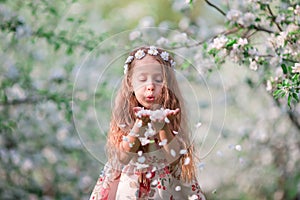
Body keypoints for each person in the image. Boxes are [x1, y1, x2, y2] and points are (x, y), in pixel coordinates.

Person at [89, 46, 206, 200]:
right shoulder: (126, 117)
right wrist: (139, 125)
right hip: (131, 188)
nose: (150, 86)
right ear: (130, 82)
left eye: (158, 80)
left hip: (164, 188)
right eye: (142, 79)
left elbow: (174, 157)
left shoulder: (170, 115)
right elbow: (123, 158)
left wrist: (163, 126)